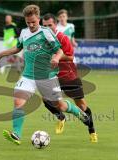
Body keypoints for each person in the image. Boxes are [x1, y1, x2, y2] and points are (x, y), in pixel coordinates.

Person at [0, 5, 90, 145]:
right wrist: (1, 54)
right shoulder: (24, 32)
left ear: (38, 18)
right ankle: (17, 134)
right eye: (28, 22)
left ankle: (78, 113)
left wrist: (56, 59)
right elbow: (17, 48)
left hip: (47, 77)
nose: (31, 25)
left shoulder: (46, 32)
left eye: (33, 21)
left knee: (60, 106)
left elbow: (60, 50)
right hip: (28, 76)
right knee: (18, 101)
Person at [42, 13, 97, 142]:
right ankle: (61, 117)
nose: (47, 28)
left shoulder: (62, 37)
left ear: (55, 25)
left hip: (68, 75)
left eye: (50, 25)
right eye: (44, 26)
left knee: (82, 105)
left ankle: (92, 130)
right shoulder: (41, 39)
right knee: (46, 99)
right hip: (52, 76)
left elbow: (71, 57)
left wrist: (56, 58)